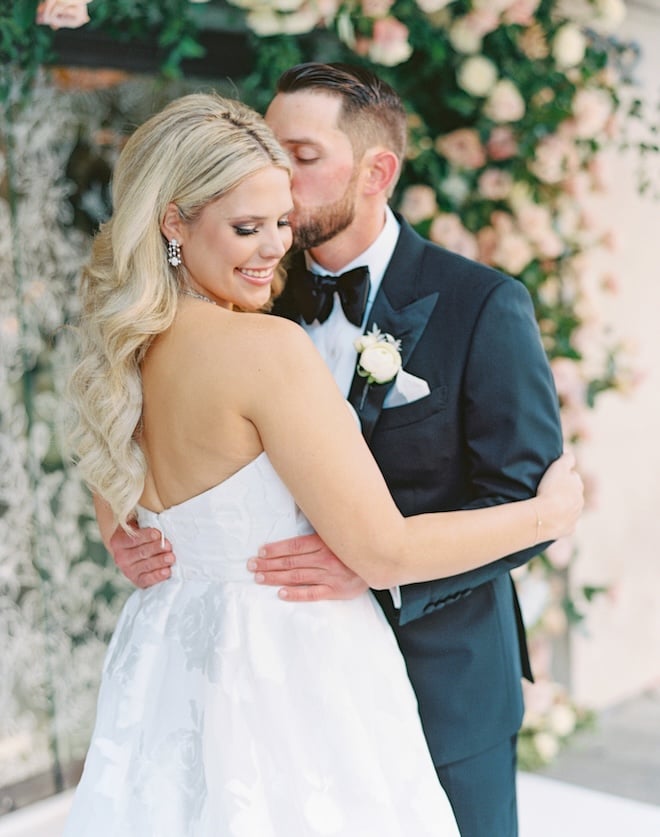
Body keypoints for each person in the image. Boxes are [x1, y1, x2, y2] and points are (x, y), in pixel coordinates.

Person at [95, 70, 575, 837]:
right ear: (181, 221)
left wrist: (381, 571)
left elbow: (519, 499)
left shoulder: (482, 304)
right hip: (261, 685)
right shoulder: (255, 301)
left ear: (375, 171)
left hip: (443, 671)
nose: (277, 180)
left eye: (299, 155)